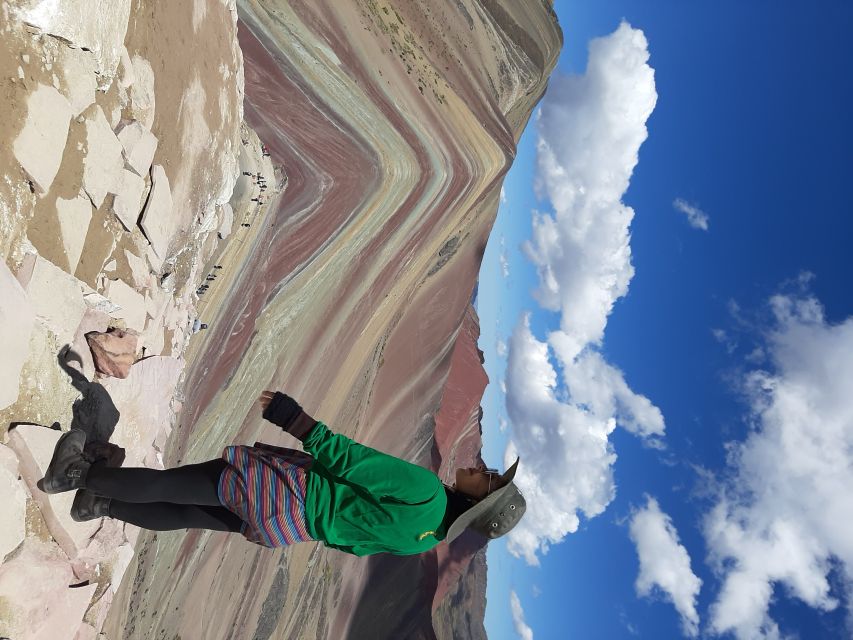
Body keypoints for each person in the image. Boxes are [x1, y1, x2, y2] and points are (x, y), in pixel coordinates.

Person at [36, 391, 526, 555]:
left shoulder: (427, 494)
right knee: (187, 512)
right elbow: (349, 544)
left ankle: (74, 475)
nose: (481, 470)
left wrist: (296, 420)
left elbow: (354, 462)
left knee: (175, 484)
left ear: (476, 499)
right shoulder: (425, 539)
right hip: (288, 528)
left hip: (287, 491)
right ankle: (98, 506)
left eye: (487, 479)